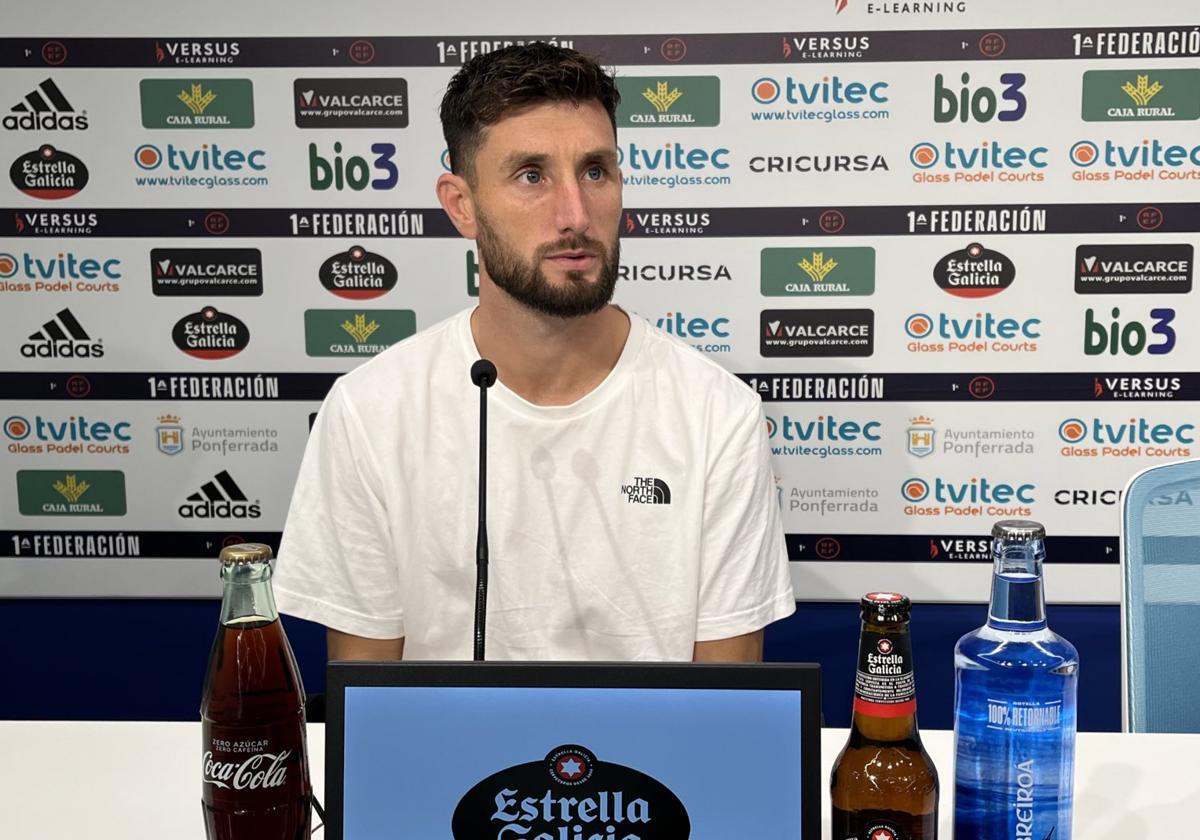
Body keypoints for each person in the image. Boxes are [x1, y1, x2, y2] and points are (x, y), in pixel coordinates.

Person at [273, 43, 794, 663]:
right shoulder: (370, 410)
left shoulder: (717, 412)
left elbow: (725, 710)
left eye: (595, 171)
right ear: (461, 205)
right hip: (447, 761)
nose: (575, 214)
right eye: (531, 176)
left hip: (649, 763)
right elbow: (366, 706)